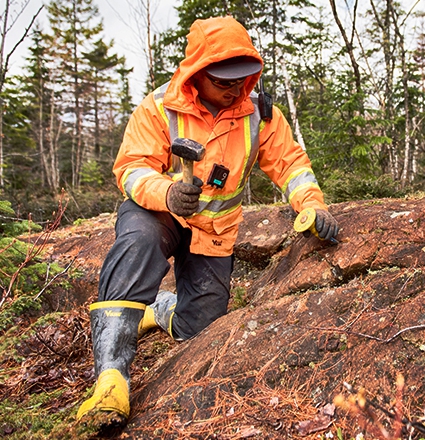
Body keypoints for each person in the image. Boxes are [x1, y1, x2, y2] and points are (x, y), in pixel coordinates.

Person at [76, 15, 339, 429]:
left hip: (212, 236)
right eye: (224, 80)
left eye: (243, 78)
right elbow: (131, 167)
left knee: (195, 331)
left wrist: (312, 204)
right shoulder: (158, 107)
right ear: (197, 72)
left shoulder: (261, 114)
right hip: (161, 214)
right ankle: (111, 378)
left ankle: (158, 311)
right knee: (137, 240)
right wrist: (165, 193)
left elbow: (291, 166)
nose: (236, 88)